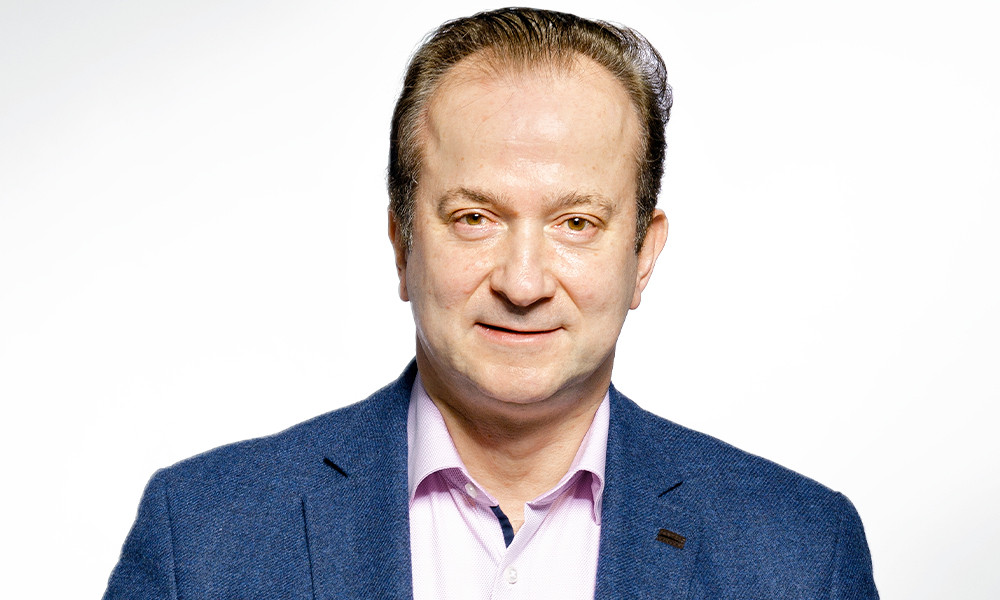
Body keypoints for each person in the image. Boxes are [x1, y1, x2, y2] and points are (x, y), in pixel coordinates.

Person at [103, 7, 878, 599]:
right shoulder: (200, 537)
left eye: (577, 223)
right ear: (402, 243)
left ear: (643, 257)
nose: (523, 282)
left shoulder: (802, 555)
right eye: (475, 218)